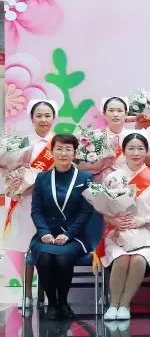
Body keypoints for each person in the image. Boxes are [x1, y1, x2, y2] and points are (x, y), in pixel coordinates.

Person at [101, 132, 150, 321]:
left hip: (147, 231)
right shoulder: (112, 178)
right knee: (121, 259)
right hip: (119, 231)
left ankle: (125, 305)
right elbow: (105, 211)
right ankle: (113, 305)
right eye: (131, 148)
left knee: (138, 260)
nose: (136, 153)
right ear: (124, 151)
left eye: (140, 148)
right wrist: (114, 221)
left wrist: (143, 220)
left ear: (146, 151)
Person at [28, 134, 93, 320]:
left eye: (68, 149)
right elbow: (36, 210)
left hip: (74, 236)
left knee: (63, 259)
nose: (63, 153)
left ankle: (63, 302)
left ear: (75, 153)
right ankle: (52, 303)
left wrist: (69, 234)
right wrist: (44, 232)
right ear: (52, 151)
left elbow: (86, 212)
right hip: (46, 235)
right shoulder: (42, 178)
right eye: (59, 149)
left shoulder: (85, 178)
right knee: (45, 258)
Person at [5, 99, 57, 309]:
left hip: (51, 202)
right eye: (39, 115)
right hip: (26, 201)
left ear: (54, 118)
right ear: (31, 118)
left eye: (47, 115)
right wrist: (18, 183)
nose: (43, 119)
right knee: (26, 247)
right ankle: (26, 293)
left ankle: (48, 291)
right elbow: (9, 171)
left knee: (47, 247)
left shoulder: (59, 143)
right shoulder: (22, 144)